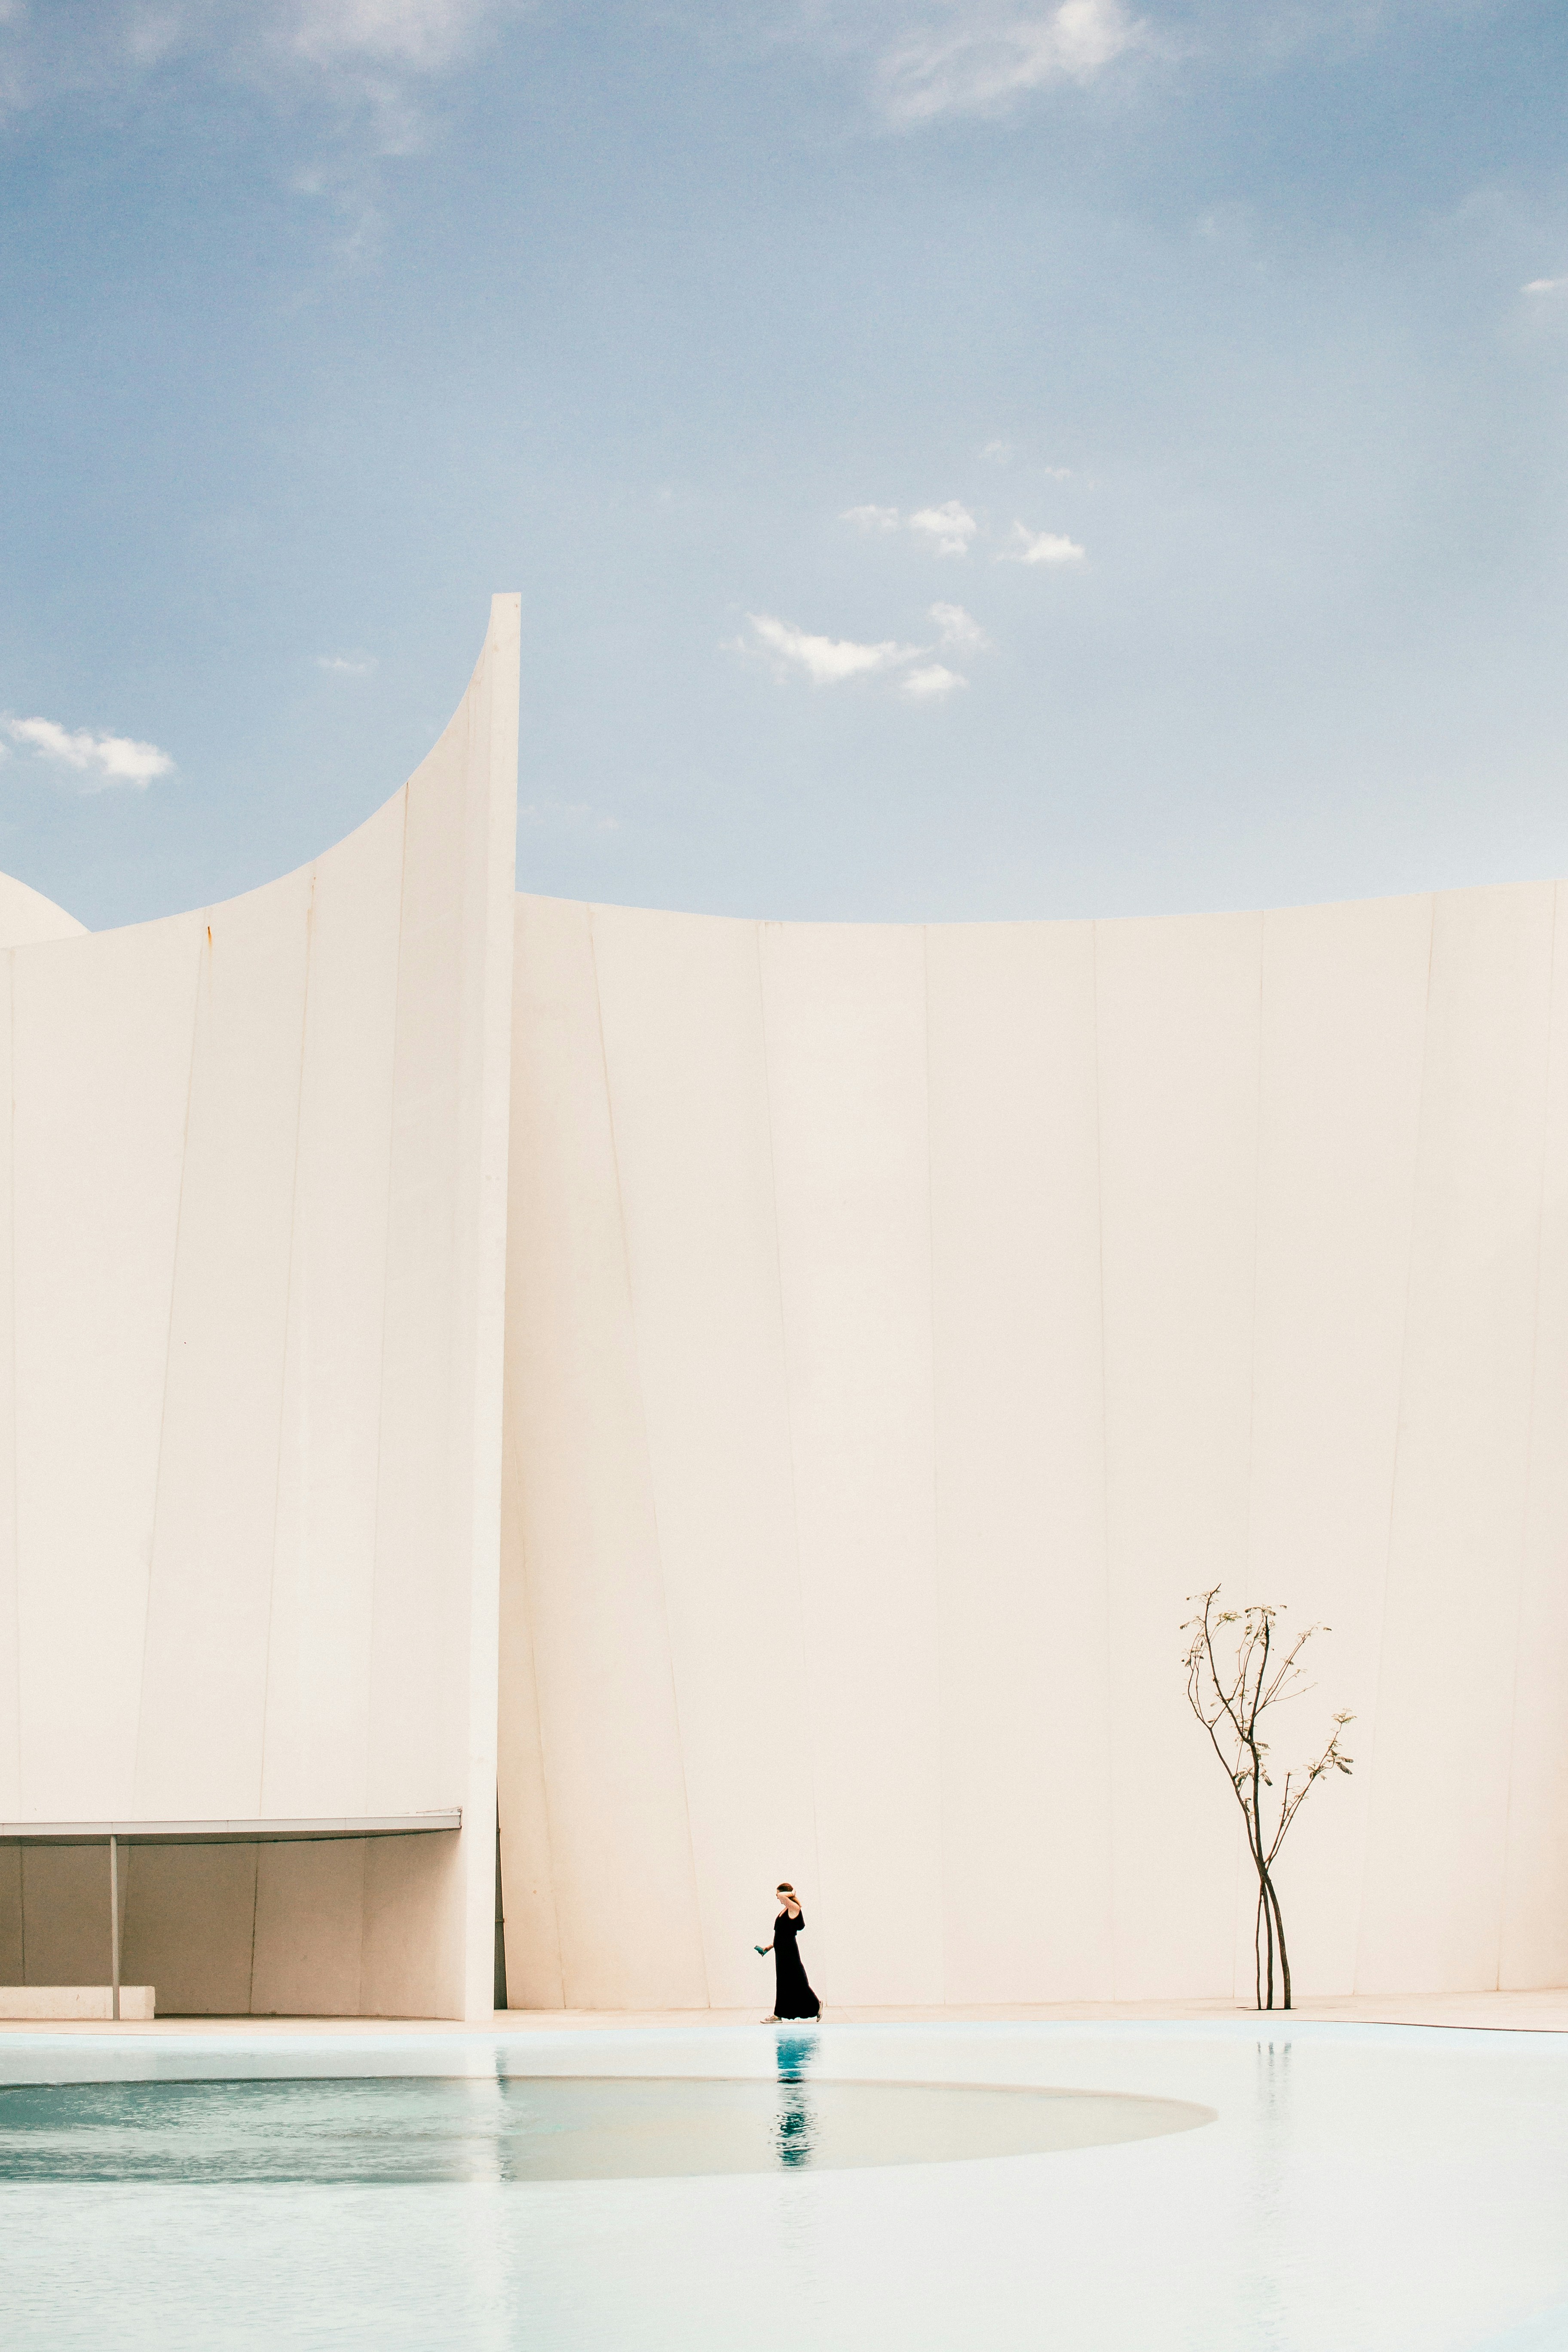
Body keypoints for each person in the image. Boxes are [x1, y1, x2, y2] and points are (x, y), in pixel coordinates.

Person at [755, 1881, 821, 2023]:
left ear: (785, 1894)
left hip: (789, 1952)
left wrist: (788, 1893)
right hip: (782, 1951)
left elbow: (783, 1897)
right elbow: (782, 1934)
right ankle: (779, 2015)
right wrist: (770, 1947)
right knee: (784, 1982)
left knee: (796, 1981)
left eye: (778, 1894)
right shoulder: (786, 1910)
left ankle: (815, 2006)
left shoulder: (794, 1908)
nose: (777, 1897)